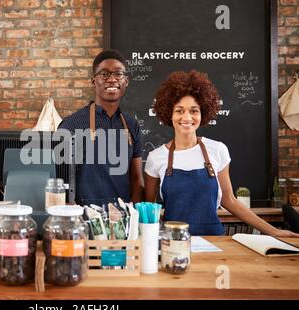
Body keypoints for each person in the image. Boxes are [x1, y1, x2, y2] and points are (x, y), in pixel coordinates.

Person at [144, 70, 299, 237]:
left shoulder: (217, 150)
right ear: (169, 114)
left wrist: (273, 231)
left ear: (203, 113)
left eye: (194, 110)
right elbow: (147, 210)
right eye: (179, 110)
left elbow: (229, 200)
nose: (187, 117)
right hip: (172, 243)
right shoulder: (156, 157)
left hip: (214, 241)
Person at [58, 49, 144, 206]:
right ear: (93, 81)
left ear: (126, 81)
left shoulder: (132, 125)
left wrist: (133, 216)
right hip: (84, 218)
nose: (112, 79)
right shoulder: (72, 125)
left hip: (121, 219)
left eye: (118, 74)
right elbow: (60, 180)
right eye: (104, 74)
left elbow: (137, 179)